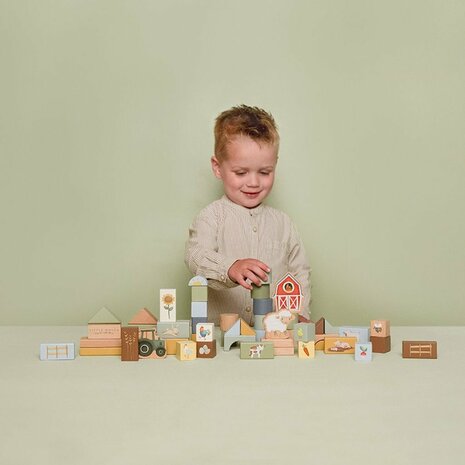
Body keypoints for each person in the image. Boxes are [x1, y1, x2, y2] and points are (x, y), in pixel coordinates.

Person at [185, 105, 311, 326]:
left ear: (275, 165)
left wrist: (300, 315)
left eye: (264, 172)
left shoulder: (283, 224)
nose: (253, 182)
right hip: (220, 338)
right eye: (241, 172)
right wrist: (230, 267)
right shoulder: (211, 217)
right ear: (217, 167)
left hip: (273, 336)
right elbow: (195, 255)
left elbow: (299, 273)